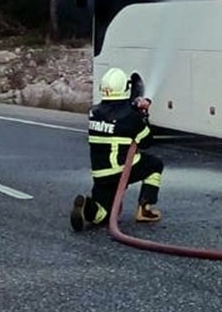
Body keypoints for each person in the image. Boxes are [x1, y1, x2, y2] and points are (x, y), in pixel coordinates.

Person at [70, 67, 164, 231]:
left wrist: (134, 110)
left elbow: (116, 115)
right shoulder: (130, 117)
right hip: (121, 170)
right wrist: (143, 116)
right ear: (124, 88)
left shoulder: (94, 112)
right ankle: (145, 209)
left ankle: (86, 208)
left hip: (100, 174)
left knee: (103, 215)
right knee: (155, 164)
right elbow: (147, 141)